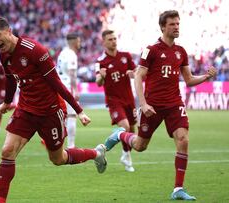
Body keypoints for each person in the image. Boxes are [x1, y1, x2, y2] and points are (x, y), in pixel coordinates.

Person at [0, 17, 107, 203]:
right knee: (7, 150)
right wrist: (7, 102)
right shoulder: (4, 55)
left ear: (8, 31)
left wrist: (79, 111)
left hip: (51, 111)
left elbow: (56, 83)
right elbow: (10, 80)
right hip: (26, 109)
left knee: (58, 159)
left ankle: (96, 154)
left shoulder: (35, 50)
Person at [103, 10, 217, 200]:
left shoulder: (181, 52)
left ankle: (178, 189)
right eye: (172, 24)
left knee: (183, 140)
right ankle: (120, 134)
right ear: (163, 27)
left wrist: (206, 77)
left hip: (174, 103)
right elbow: (139, 76)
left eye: (178, 24)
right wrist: (144, 103)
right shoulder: (152, 50)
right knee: (140, 146)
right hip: (152, 105)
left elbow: (188, 80)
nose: (176, 27)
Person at [95, 30, 136, 172]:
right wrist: (101, 76)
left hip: (129, 100)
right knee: (125, 127)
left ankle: (126, 154)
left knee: (132, 130)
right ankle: (126, 156)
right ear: (104, 42)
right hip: (114, 101)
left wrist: (133, 74)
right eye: (110, 39)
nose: (113, 41)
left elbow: (137, 72)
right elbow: (98, 82)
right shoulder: (100, 61)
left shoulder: (126, 56)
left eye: (115, 38)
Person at [56, 33, 81, 148]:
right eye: (79, 41)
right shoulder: (71, 54)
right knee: (71, 116)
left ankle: (57, 142)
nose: (80, 43)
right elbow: (72, 73)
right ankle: (71, 145)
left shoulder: (62, 53)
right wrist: (75, 90)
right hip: (67, 87)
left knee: (63, 116)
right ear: (75, 41)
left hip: (59, 86)